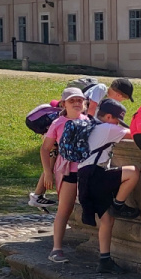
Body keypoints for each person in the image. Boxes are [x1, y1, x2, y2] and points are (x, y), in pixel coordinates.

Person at [76, 98, 141, 274]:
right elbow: (136, 135)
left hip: (84, 176)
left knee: (106, 220)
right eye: (117, 120)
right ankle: (118, 205)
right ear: (109, 117)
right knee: (133, 172)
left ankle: (104, 260)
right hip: (95, 174)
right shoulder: (108, 128)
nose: (118, 124)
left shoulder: (93, 126)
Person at [40, 87, 89, 263]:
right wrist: (48, 172)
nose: (76, 103)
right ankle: (56, 249)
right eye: (72, 100)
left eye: (79, 100)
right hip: (68, 171)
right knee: (64, 209)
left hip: (86, 170)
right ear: (64, 104)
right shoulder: (58, 123)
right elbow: (45, 149)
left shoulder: (87, 121)